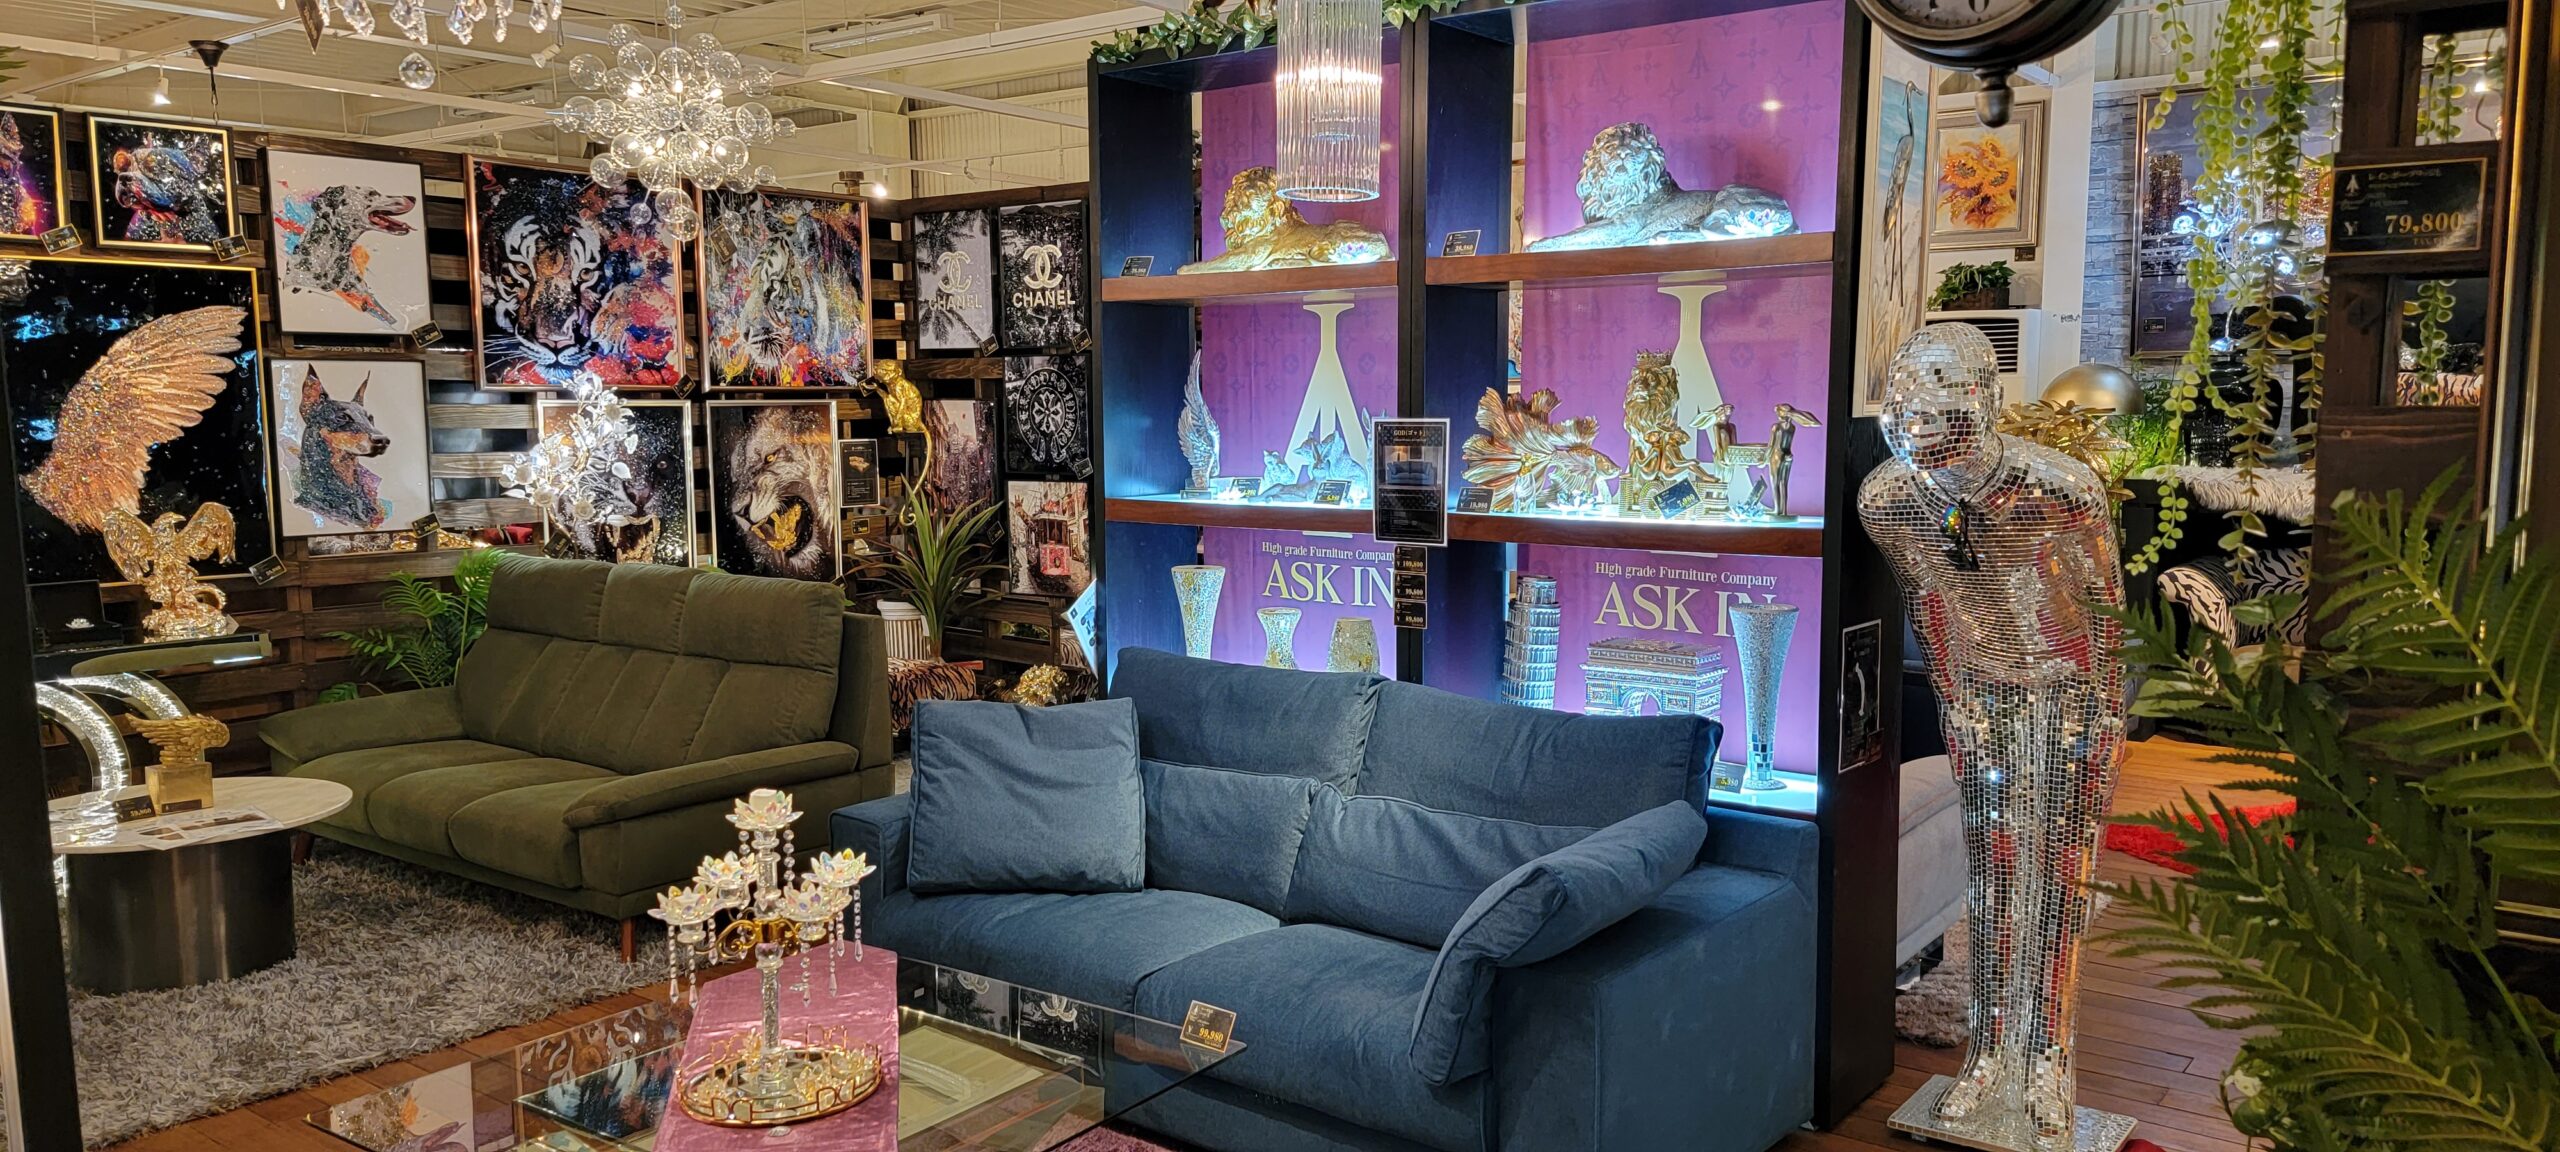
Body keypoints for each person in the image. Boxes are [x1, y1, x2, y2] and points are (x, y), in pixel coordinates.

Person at [1857, 324, 2126, 1149]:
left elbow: (2108, 615)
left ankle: (2048, 1063)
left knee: (2060, 880)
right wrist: (1957, 697)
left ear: (1985, 402)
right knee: (1998, 877)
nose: (1922, 425)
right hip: (1980, 697)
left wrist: (2104, 719)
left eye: (1942, 404)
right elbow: (1927, 601)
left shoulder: (2062, 491)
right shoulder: (1889, 500)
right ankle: (1988, 1055)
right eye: (1907, 407)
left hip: (2073, 696)